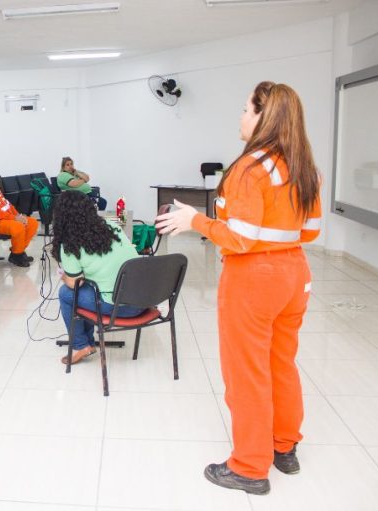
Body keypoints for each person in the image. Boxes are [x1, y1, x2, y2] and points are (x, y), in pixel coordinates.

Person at [156, 81, 322, 496]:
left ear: (265, 117)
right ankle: (284, 447)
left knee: (247, 373)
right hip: (294, 275)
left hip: (253, 279)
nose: (241, 117)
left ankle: (249, 466)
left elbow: (241, 238)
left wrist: (195, 221)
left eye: (246, 110)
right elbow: (311, 231)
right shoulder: (304, 166)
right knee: (281, 363)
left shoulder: (251, 168)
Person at [52, 191, 144, 364]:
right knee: (88, 290)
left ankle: (81, 345)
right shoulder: (112, 226)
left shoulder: (70, 245)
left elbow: (73, 284)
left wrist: (63, 276)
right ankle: (87, 342)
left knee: (67, 293)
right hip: (145, 299)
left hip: (119, 307)